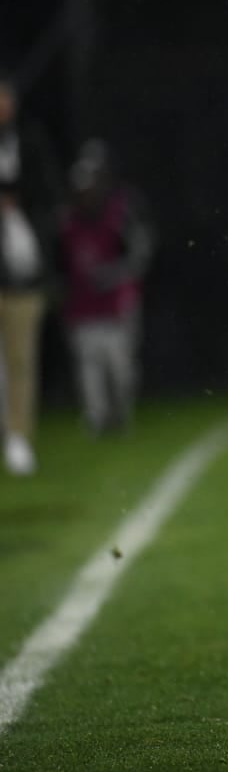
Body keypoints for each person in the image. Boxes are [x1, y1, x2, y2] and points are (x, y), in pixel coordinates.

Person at [59, 140, 155, 435]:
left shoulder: (122, 209)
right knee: (89, 366)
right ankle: (97, 417)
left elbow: (142, 252)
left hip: (116, 301)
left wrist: (115, 275)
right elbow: (59, 262)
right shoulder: (66, 220)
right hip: (84, 305)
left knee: (120, 367)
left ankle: (120, 413)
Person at [0, 72, 65, 477]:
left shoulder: (32, 143)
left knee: (22, 360)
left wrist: (18, 210)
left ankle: (19, 438)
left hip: (23, 275)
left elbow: (52, 202)